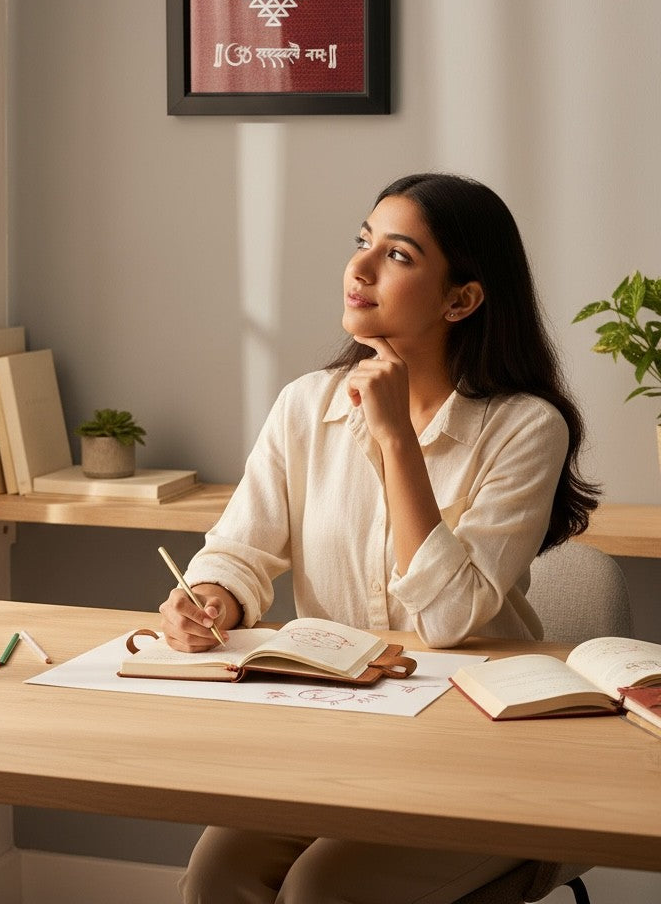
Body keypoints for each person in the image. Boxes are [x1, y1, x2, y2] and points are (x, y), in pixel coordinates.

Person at [161, 172, 599, 904]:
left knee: (323, 893)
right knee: (216, 875)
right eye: (363, 242)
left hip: (481, 748)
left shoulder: (526, 428)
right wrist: (209, 597)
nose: (359, 269)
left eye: (398, 255)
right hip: (337, 735)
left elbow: (448, 620)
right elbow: (239, 550)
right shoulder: (305, 405)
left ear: (462, 299)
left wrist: (395, 436)